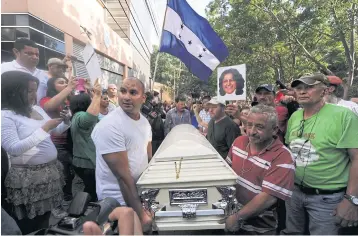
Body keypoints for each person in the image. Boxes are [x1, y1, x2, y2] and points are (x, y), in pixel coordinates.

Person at [282, 73, 358, 235]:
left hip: (326, 199)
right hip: (293, 192)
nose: (302, 92)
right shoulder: (295, 116)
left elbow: (356, 159)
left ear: (325, 91)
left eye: (309, 87)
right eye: (299, 88)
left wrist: (352, 200)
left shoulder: (343, 116)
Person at [1, 71, 70, 234]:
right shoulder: (5, 116)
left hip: (49, 174)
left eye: (35, 90)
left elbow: (55, 132)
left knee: (45, 219)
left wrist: (66, 120)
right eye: (29, 91)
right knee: (31, 223)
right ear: (13, 91)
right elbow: (14, 148)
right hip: (28, 179)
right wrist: (44, 128)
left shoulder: (37, 108)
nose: (34, 95)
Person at [91, 77, 153, 232]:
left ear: (143, 98)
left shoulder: (145, 122)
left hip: (139, 195)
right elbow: (123, 178)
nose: (126, 97)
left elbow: (149, 159)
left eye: (133, 92)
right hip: (118, 200)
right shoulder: (109, 126)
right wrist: (141, 214)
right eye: (123, 91)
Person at [224, 105, 295, 234]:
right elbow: (225, 174)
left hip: (260, 228)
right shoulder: (239, 142)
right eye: (249, 125)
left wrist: (237, 217)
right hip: (230, 217)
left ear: (274, 130)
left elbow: (268, 198)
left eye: (259, 127)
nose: (251, 131)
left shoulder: (283, 157)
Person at [40, 76, 77, 201]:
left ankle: (67, 199)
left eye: (66, 82)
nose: (65, 84)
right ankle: (63, 202)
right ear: (51, 86)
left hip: (69, 141)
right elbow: (49, 107)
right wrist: (69, 87)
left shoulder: (67, 101)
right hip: (55, 143)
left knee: (70, 174)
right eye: (61, 82)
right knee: (63, 174)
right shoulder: (45, 99)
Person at [69, 79, 102, 201]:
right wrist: (97, 95)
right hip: (87, 163)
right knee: (92, 192)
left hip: (84, 163)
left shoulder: (76, 116)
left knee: (91, 189)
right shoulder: (80, 116)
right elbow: (90, 117)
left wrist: (92, 92)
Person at [1, 38, 48, 104]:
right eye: (29, 53)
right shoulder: (4, 69)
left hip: (38, 113)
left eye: (37, 54)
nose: (35, 57)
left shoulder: (43, 75)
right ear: (16, 52)